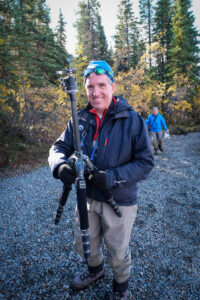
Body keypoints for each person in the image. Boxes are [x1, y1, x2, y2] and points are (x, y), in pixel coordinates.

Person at [48, 61, 154, 299]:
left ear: (112, 86)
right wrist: (59, 166)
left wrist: (114, 177)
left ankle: (120, 287)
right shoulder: (80, 118)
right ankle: (95, 270)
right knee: (84, 242)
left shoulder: (132, 119)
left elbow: (146, 163)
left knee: (117, 250)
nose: (95, 92)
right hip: (86, 197)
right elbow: (58, 147)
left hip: (120, 199)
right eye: (90, 86)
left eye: (101, 85)